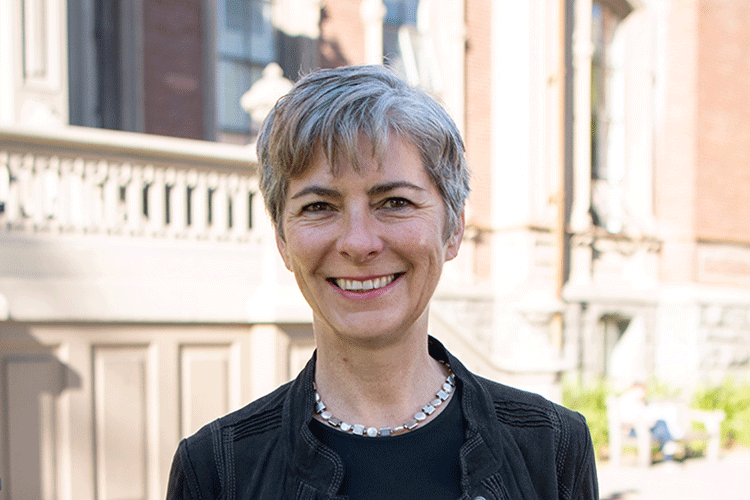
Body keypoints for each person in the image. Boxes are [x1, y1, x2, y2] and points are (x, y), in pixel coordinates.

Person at [166, 65, 598, 500]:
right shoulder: (216, 471)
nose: (358, 242)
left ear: (453, 230)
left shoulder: (553, 449)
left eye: (395, 201)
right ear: (282, 239)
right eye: (318, 206)